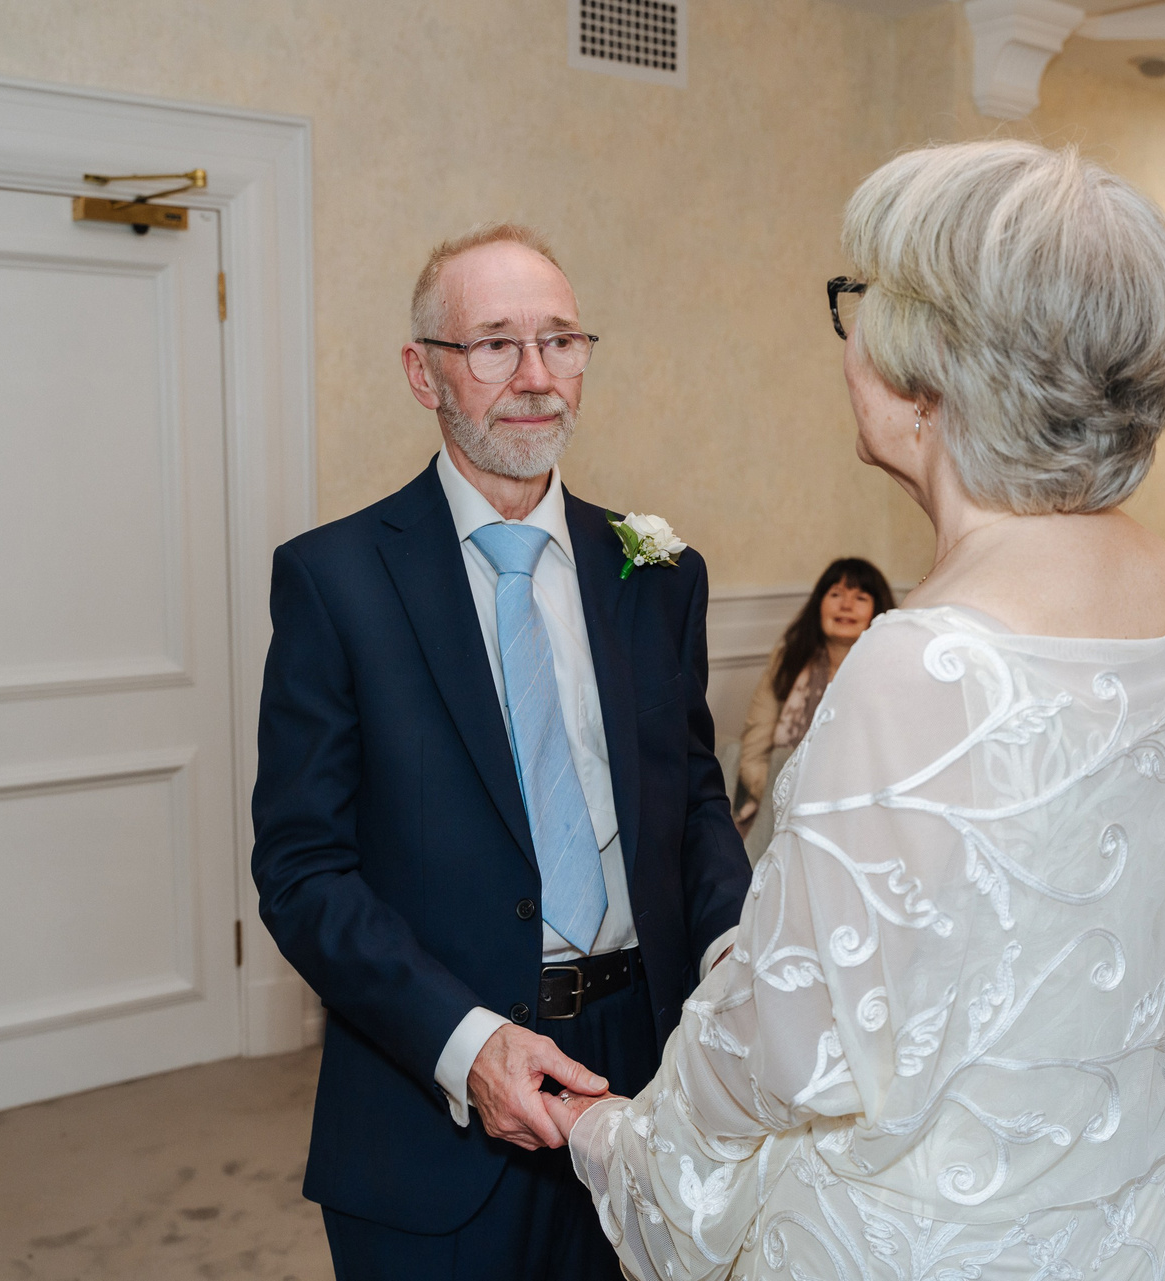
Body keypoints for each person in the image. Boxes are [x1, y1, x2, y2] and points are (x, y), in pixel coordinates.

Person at [548, 139, 1165, 1281]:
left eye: (858, 299)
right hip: (1113, 1222)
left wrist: (616, 1138)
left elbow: (796, 1047)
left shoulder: (924, 656)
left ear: (929, 371)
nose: (846, 335)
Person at [250, 223, 752, 1278]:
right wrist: (468, 1043)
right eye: (493, 345)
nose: (535, 377)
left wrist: (731, 955)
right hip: (433, 1093)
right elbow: (303, 872)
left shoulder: (658, 574)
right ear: (422, 372)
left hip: (650, 1077)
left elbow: (695, 803)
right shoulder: (336, 581)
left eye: (560, 340)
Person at [732, 557, 894, 856]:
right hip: (781, 810)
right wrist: (791, 796)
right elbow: (754, 754)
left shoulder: (891, 670)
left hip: (864, 815)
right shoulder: (787, 662)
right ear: (819, 604)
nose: (846, 605)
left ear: (878, 610)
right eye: (836, 594)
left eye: (860, 598)